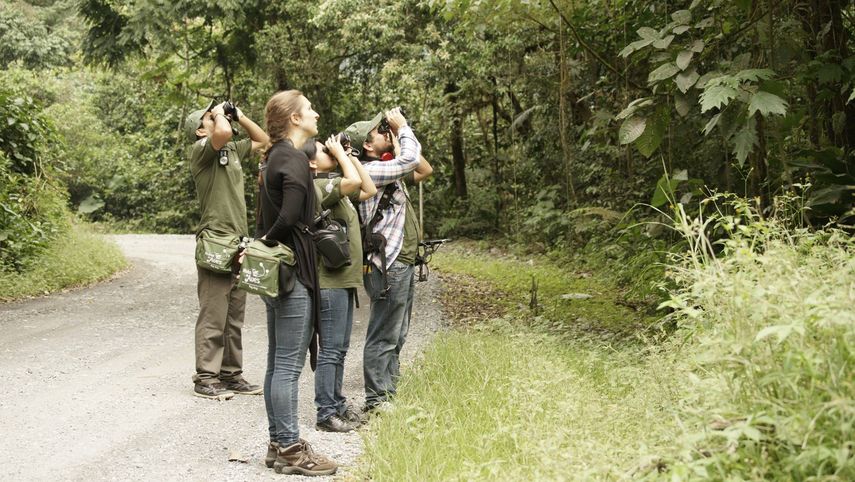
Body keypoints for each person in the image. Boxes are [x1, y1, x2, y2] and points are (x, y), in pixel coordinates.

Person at [256, 90, 336, 476]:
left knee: (277, 362)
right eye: (309, 110)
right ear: (293, 119)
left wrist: (264, 245)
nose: (315, 113)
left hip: (279, 273)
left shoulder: (275, 157)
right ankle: (290, 448)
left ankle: (277, 444)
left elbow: (275, 218)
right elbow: (287, 218)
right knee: (287, 365)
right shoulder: (292, 158)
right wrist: (270, 243)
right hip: (293, 272)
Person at [343, 108, 433, 412]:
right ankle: (377, 399)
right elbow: (409, 161)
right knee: (383, 332)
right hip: (387, 263)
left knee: (399, 331)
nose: (386, 132)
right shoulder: (367, 171)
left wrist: (396, 141)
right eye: (380, 132)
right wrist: (404, 128)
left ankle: (390, 390)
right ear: (367, 146)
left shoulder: (387, 164)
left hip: (403, 260)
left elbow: (423, 169)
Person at [186, 100, 268, 400]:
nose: (219, 119)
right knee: (214, 312)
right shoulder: (201, 152)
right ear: (199, 130)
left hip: (238, 241)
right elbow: (221, 133)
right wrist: (220, 115)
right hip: (215, 241)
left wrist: (240, 115)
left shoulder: (231, 150)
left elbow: (262, 140)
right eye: (209, 117)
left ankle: (231, 374)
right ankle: (206, 377)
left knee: (234, 314)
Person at [302, 135, 377, 432]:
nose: (328, 152)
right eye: (323, 150)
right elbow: (354, 182)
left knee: (341, 348)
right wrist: (340, 154)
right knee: (331, 349)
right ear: (310, 162)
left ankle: (338, 403)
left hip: (344, 279)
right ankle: (325, 412)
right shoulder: (318, 187)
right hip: (329, 281)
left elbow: (367, 187)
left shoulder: (338, 186)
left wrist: (349, 154)